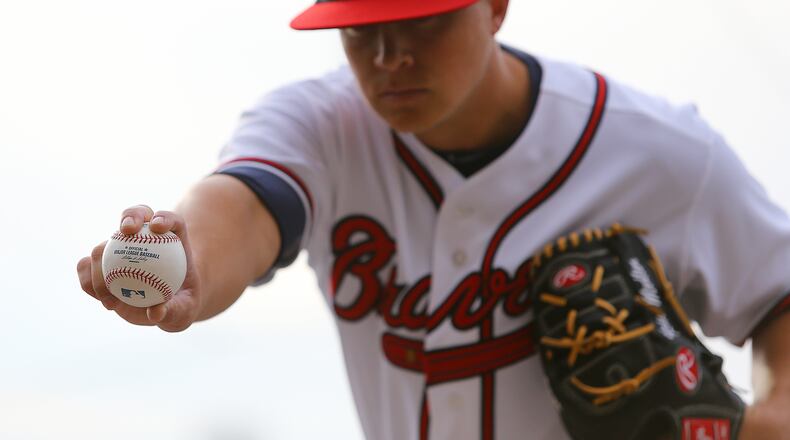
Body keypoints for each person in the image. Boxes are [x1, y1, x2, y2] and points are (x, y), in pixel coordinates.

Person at [77, 1, 790, 439]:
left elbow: (776, 293)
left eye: (421, 19)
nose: (389, 58)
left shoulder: (657, 150)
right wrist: (189, 260)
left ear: (496, 6)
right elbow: (245, 201)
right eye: (361, 29)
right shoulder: (319, 125)